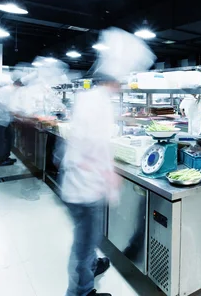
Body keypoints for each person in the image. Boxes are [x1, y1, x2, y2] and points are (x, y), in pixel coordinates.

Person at [61, 27, 155, 296]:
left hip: (79, 182)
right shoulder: (99, 103)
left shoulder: (92, 98)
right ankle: (80, 291)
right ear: (113, 81)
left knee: (86, 238)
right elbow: (91, 148)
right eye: (121, 82)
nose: (121, 87)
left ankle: (92, 265)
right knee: (84, 241)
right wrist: (108, 172)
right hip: (84, 186)